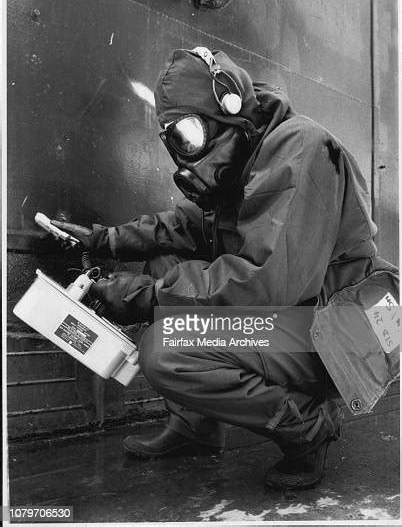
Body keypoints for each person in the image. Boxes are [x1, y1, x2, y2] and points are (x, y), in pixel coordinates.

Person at [52, 47, 398, 490]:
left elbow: (264, 281)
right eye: (174, 138)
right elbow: (188, 225)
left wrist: (147, 295)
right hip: (300, 317)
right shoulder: (250, 149)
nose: (186, 152)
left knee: (166, 346)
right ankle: (195, 426)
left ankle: (309, 427)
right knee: (164, 257)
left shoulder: (301, 150)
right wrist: (105, 239)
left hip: (339, 329)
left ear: (228, 105)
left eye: (190, 133)